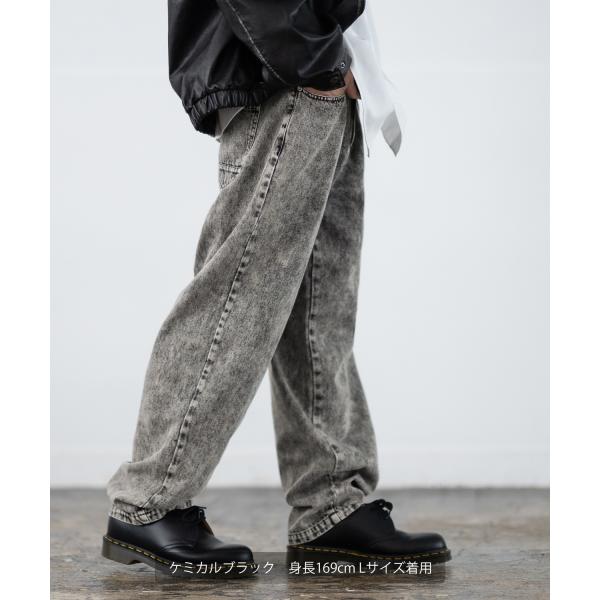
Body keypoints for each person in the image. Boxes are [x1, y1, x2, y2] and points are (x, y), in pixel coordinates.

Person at [102, 0, 450, 576]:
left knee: (319, 308)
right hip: (286, 79)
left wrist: (333, 64)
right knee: (235, 298)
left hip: (319, 79)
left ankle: (331, 504)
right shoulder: (303, 67)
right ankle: (148, 499)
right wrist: (312, 59)